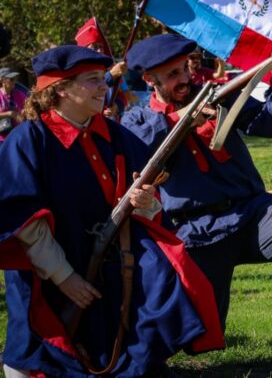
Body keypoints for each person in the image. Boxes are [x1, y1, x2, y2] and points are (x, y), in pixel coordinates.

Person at [121, 34, 272, 358]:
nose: (185, 79)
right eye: (172, 75)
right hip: (196, 232)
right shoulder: (138, 119)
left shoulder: (217, 97)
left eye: (185, 70)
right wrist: (184, 118)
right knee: (197, 342)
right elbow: (142, 145)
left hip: (253, 213)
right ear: (150, 80)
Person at [0, 45, 223, 377]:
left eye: (102, 78)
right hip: (48, 273)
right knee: (44, 356)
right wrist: (65, 278)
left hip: (112, 269)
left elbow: (149, 205)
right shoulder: (29, 141)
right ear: (60, 88)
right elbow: (24, 222)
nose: (104, 86)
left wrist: (147, 203)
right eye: (92, 80)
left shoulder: (117, 136)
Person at [75, 17, 133, 116]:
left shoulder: (109, 68)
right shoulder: (77, 71)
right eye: (95, 47)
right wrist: (111, 76)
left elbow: (122, 96)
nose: (99, 51)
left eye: (101, 47)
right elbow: (84, 93)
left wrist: (117, 106)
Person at [0, 67, 26, 141]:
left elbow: (28, 108)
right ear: (2, 80)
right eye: (11, 79)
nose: (14, 81)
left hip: (18, 136)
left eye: (15, 78)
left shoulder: (20, 94)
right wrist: (9, 113)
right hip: (2, 139)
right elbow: (10, 113)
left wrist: (24, 112)